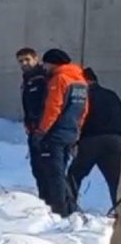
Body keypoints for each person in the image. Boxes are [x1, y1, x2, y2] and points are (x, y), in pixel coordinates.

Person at [32, 49, 90, 217]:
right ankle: (70, 207)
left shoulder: (59, 79)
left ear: (53, 63)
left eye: (46, 63)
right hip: (71, 133)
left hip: (56, 133)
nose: (44, 67)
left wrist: (41, 131)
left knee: (54, 174)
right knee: (62, 171)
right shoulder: (81, 81)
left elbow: (53, 108)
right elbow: (84, 111)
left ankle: (60, 212)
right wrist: (77, 131)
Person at [68, 68, 121, 211]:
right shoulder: (111, 95)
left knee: (74, 175)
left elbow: (75, 119)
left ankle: (68, 209)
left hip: (90, 141)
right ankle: (118, 211)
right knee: (116, 181)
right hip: (115, 141)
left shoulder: (82, 97)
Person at [17, 47, 50, 200]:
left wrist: (41, 126)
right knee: (37, 167)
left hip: (45, 130)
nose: (24, 64)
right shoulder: (28, 80)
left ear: (36, 59)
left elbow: (47, 104)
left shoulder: (43, 79)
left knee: (48, 168)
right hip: (33, 129)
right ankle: (45, 198)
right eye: (21, 61)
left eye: (27, 60)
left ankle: (55, 203)